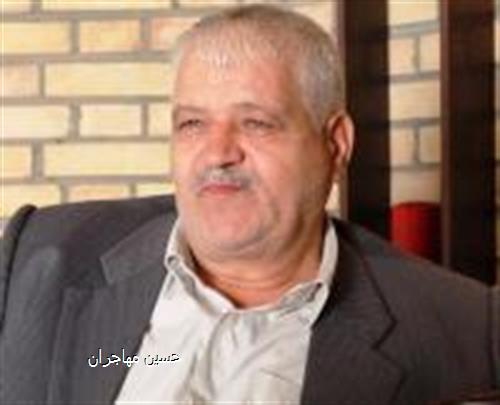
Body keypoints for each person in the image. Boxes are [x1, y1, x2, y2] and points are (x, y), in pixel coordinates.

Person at [0, 5, 499, 405]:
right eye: (192, 123)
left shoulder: (467, 333)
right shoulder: (42, 259)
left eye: (256, 123)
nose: (217, 153)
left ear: (336, 145)